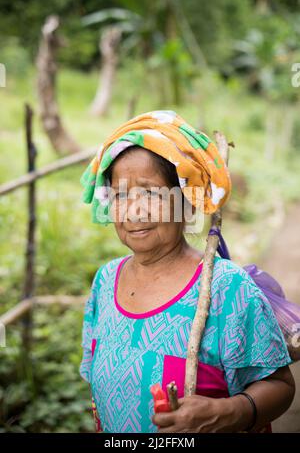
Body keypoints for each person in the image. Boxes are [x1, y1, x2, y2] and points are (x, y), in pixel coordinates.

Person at [79, 110, 295, 433]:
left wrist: (228, 413)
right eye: (121, 194)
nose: (134, 210)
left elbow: (281, 387)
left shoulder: (227, 288)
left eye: (151, 193)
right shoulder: (105, 281)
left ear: (187, 202)